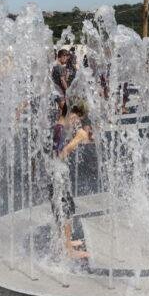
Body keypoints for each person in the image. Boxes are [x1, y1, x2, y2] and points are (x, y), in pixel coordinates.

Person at [50, 102, 91, 258]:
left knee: (65, 207)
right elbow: (59, 155)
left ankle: (65, 241)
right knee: (65, 209)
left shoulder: (60, 127)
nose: (77, 122)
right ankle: (68, 250)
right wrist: (77, 139)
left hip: (57, 174)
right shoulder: (59, 129)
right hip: (55, 176)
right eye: (76, 119)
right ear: (71, 114)